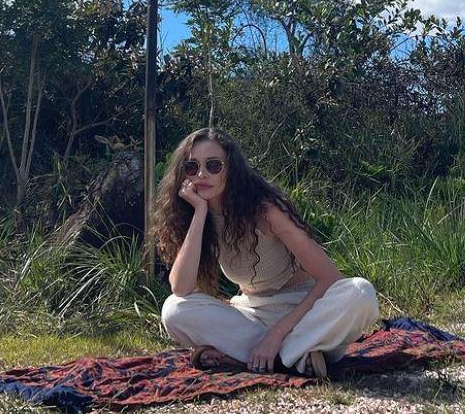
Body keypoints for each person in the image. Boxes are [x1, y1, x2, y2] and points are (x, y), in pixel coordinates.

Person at [155, 127, 380, 377]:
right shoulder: (199, 217)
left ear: (231, 169)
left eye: (213, 165)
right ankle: (295, 356)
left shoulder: (266, 211)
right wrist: (199, 213)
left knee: (361, 292)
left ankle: (260, 355)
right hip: (252, 315)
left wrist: (276, 334)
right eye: (192, 167)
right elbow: (181, 288)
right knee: (174, 309)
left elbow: (329, 277)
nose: (201, 174)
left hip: (305, 312)